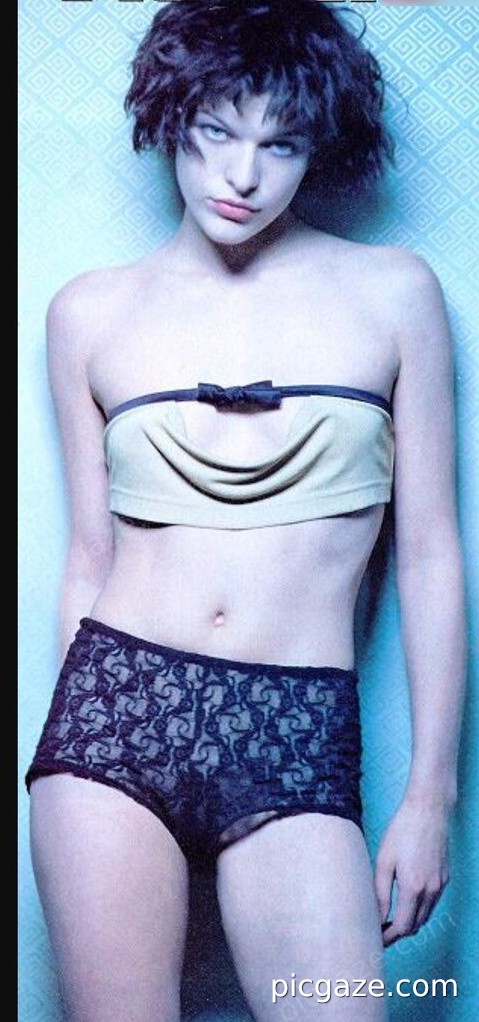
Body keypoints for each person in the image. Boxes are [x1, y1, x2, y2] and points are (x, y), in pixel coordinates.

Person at [25, 2, 466, 1020]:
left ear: (320, 146)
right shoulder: (89, 311)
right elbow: (88, 556)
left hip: (296, 723)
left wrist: (429, 795)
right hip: (116, 710)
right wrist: (77, 732)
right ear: (170, 120)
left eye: (280, 143)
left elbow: (429, 555)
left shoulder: (394, 293)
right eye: (215, 131)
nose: (241, 174)